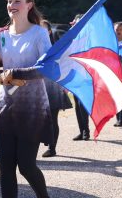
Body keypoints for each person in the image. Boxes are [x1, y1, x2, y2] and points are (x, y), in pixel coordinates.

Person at [0, 0, 52, 198]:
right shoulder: (1, 35)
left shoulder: (39, 33)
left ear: (29, 5)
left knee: (26, 166)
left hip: (33, 110)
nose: (11, 5)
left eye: (17, 1)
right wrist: (1, 77)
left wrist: (15, 73)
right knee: (6, 167)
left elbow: (46, 68)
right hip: (5, 110)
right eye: (10, 1)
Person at [40, 19, 73, 157]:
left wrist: (65, 85)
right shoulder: (33, 46)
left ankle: (52, 148)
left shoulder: (57, 49)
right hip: (38, 87)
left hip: (53, 87)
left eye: (43, 29)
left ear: (48, 31)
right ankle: (46, 139)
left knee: (53, 118)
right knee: (40, 118)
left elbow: (65, 67)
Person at [70, 14, 90, 141]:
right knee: (77, 104)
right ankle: (81, 129)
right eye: (75, 23)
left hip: (85, 74)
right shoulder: (72, 38)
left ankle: (86, 131)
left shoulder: (88, 37)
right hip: (74, 74)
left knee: (82, 104)